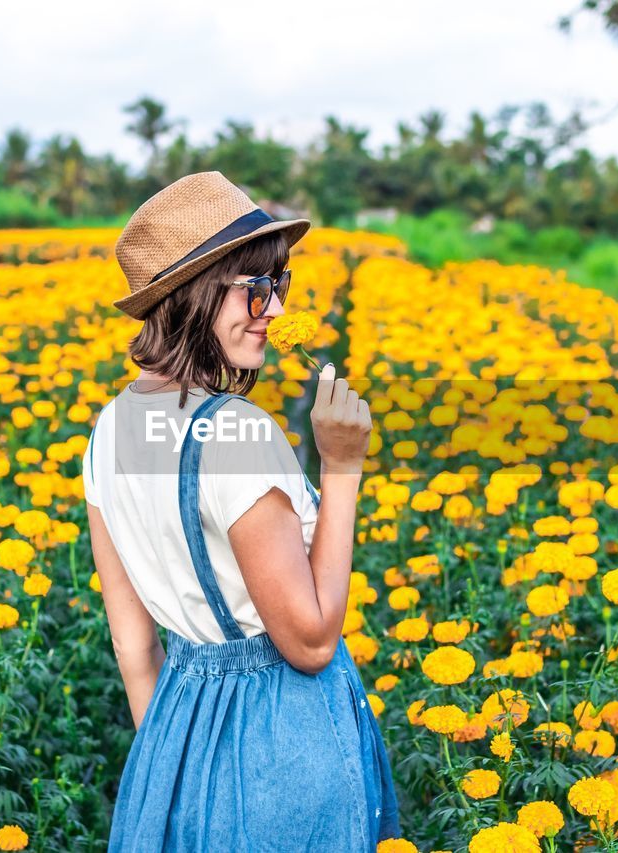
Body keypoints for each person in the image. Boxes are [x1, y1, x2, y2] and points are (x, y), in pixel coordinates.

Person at [82, 171, 403, 851]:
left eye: (279, 285)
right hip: (284, 742)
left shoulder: (108, 431)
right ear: (194, 295)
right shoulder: (239, 435)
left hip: (174, 730)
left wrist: (178, 770)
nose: (275, 310)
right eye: (255, 290)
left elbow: (133, 646)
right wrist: (341, 467)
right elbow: (310, 642)